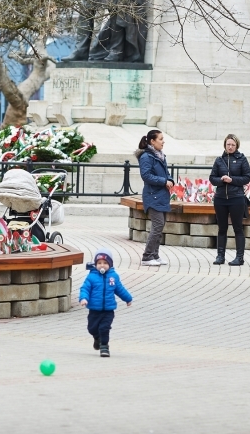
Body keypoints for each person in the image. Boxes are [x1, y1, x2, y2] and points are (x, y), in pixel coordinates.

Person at [79, 248, 133, 358]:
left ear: (110, 264)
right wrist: (83, 298)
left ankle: (104, 347)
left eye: (105, 263)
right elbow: (85, 289)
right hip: (94, 310)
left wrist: (128, 298)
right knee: (92, 328)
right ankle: (97, 338)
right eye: (99, 263)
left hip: (108, 310)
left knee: (104, 328)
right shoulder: (91, 276)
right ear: (95, 264)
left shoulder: (114, 277)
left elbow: (120, 289)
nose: (102, 265)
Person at [209, 134, 250, 266]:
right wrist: (221, 180)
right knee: (222, 228)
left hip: (236, 198)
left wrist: (232, 180)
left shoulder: (242, 159)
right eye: (228, 144)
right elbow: (212, 178)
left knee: (237, 228)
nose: (230, 147)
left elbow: (246, 178)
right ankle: (220, 256)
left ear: (237, 146)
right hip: (221, 198)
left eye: (233, 145)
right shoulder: (219, 160)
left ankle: (240, 257)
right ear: (225, 145)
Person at [135, 129, 174, 266]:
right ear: (152, 141)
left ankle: (155, 255)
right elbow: (146, 176)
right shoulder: (147, 157)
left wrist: (170, 180)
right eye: (161, 139)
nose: (163, 141)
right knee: (157, 226)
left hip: (162, 195)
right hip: (153, 196)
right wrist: (164, 181)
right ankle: (147, 256)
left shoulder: (160, 155)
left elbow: (166, 173)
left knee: (160, 225)